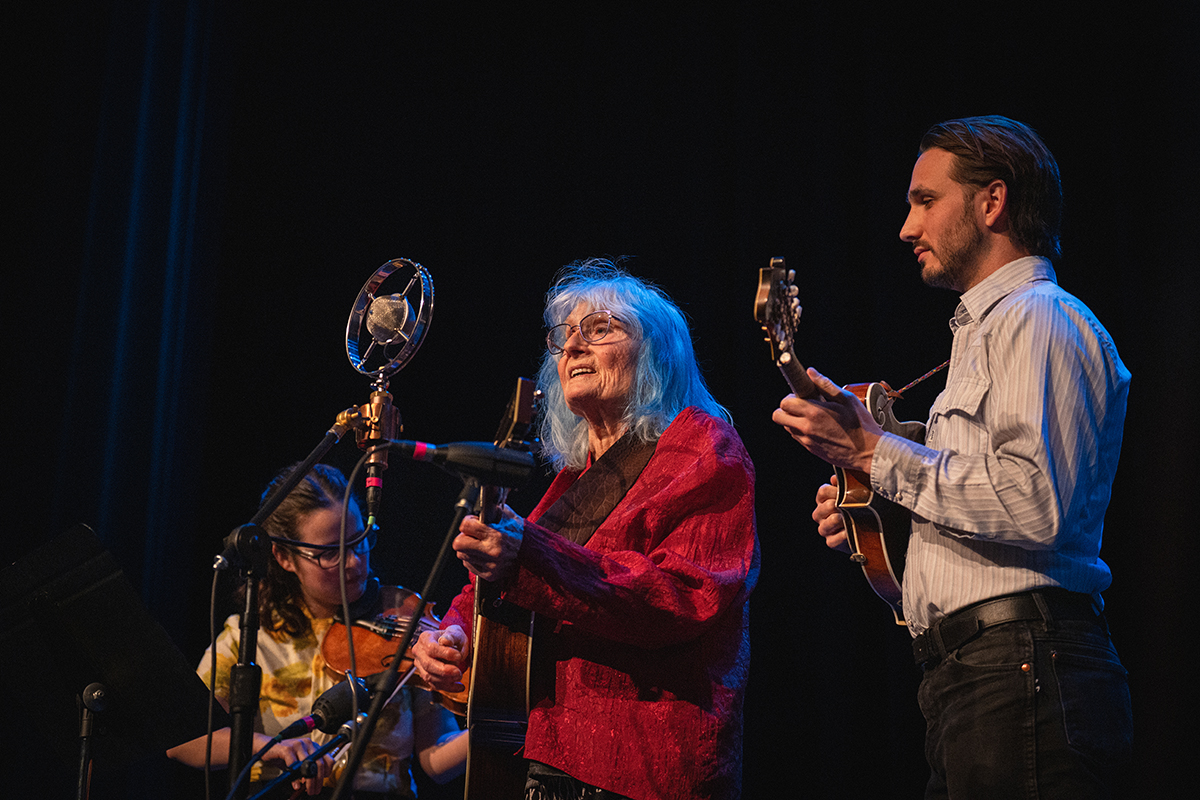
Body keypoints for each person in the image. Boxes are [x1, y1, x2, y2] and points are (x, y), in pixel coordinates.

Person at [772, 116, 1133, 798]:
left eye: (924, 200)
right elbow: (984, 499)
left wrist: (877, 453)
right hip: (981, 678)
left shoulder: (1037, 318)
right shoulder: (989, 334)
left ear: (991, 203)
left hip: (1022, 671)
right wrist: (874, 517)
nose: (906, 228)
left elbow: (1033, 504)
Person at [413, 259, 759, 800]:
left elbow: (684, 595)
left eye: (600, 329)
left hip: (643, 765)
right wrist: (450, 635)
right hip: (547, 760)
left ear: (657, 355)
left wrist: (525, 552)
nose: (572, 347)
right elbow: (509, 578)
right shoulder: (576, 479)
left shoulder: (702, 446)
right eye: (565, 336)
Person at [167, 463, 467, 798]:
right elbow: (183, 741)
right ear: (283, 557)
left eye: (359, 541)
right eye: (330, 553)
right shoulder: (248, 637)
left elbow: (436, 759)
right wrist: (270, 747)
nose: (354, 562)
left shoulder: (405, 618)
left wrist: (497, 725)